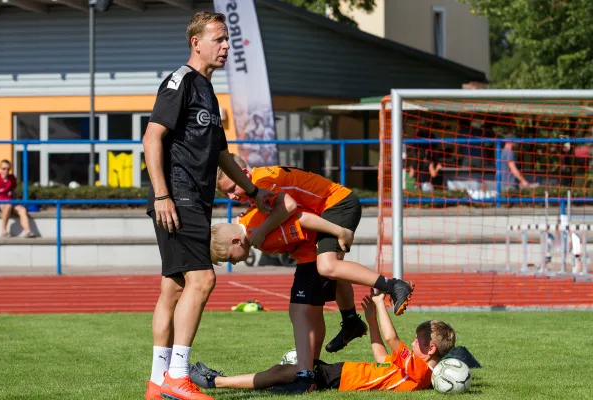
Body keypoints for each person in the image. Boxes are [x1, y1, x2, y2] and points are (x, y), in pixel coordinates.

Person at [142, 12, 274, 400]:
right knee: (203, 280)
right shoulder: (179, 82)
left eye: (228, 39)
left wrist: (252, 191)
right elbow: (152, 138)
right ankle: (178, 377)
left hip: (193, 198)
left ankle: (156, 382)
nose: (226, 46)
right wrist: (164, 195)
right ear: (196, 42)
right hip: (177, 197)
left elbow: (220, 154)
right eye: (218, 38)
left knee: (174, 287)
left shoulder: (209, 91)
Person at [215, 155, 415, 392]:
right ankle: (345, 326)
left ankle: (393, 285)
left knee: (327, 266)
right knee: (319, 286)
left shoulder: (262, 186)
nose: (231, 197)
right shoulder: (256, 197)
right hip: (323, 217)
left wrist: (338, 231)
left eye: (231, 189)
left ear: (244, 175)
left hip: (336, 204)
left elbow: (293, 211)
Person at [189, 289, 457, 393]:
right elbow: (380, 355)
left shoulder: (419, 370)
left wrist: (379, 301)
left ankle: (215, 381)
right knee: (285, 374)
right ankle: (282, 386)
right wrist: (371, 319)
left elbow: (391, 338)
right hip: (338, 373)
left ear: (430, 348)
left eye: (416, 340)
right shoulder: (412, 372)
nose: (410, 343)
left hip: (339, 377)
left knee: (286, 370)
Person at [0, 160, 35, 238]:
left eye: (8, 169)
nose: (6, 171)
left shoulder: (12, 178)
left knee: (22, 209)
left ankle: (28, 231)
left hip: (9, 201)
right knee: (7, 205)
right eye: (4, 168)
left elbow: (13, 190)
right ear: (0, 169)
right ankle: (4, 231)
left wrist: (15, 198)